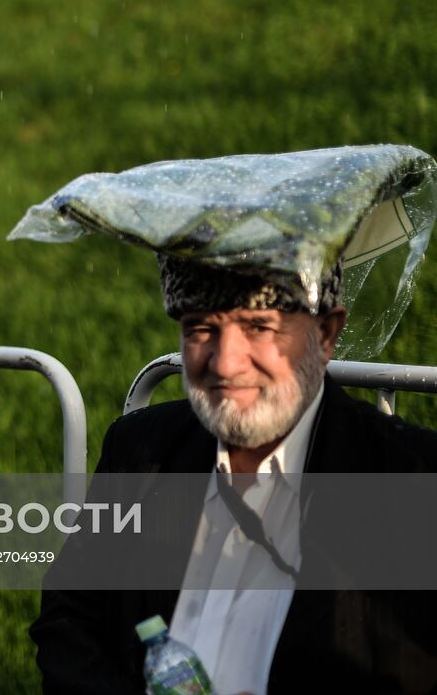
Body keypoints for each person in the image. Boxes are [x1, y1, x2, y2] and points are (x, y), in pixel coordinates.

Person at [31, 255, 437, 693]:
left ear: (325, 333)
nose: (225, 364)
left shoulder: (411, 482)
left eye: (258, 327)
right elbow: (69, 619)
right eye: (201, 328)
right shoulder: (142, 449)